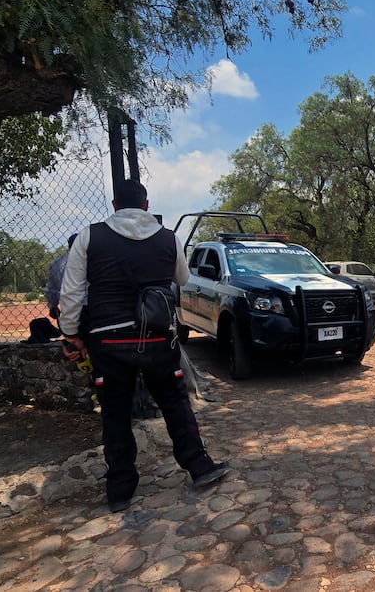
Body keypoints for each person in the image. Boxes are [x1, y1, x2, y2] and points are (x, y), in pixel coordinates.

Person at [59, 179, 228, 512]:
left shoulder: (90, 237)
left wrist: (70, 334)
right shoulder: (168, 238)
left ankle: (120, 490)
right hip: (155, 336)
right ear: (147, 205)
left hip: (106, 338)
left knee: (115, 412)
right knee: (175, 402)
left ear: (114, 205)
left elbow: (72, 293)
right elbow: (182, 279)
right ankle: (200, 467)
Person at [45, 233, 78, 321]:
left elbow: (52, 288)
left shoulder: (57, 263)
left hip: (68, 304)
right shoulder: (88, 259)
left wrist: (53, 305)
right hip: (88, 303)